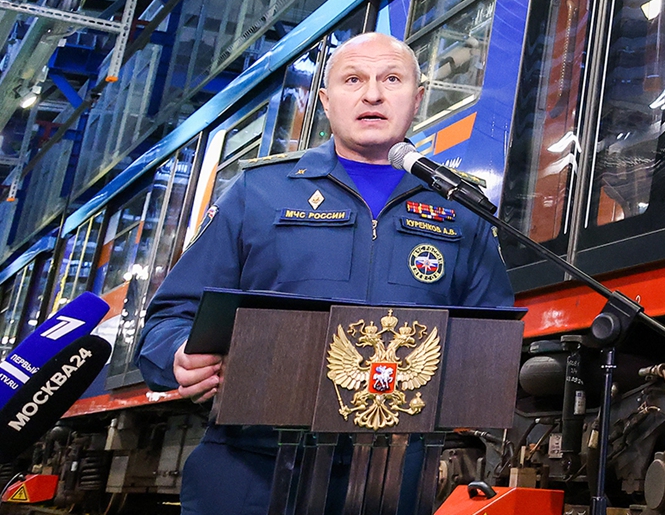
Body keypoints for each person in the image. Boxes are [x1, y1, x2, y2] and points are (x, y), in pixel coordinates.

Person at [137, 32, 515, 515]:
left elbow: (489, 338)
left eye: (392, 79)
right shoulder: (259, 192)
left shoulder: (460, 208)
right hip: (252, 473)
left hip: (391, 484)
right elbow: (171, 315)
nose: (373, 94)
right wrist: (176, 355)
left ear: (417, 99)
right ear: (326, 100)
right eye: (353, 79)